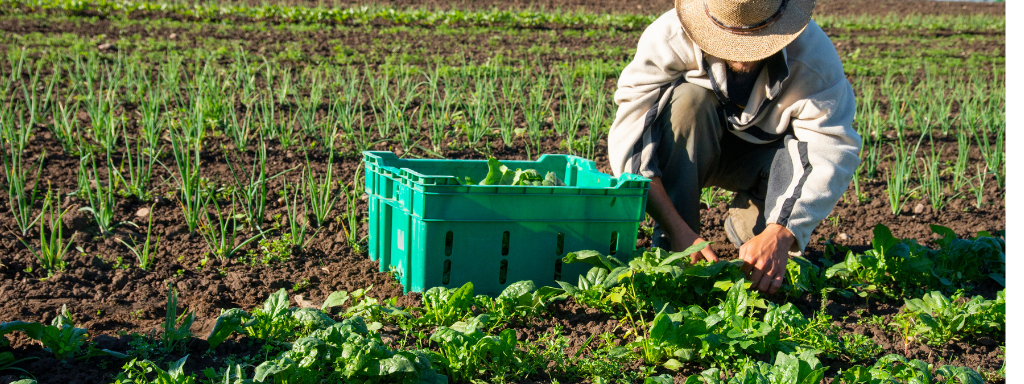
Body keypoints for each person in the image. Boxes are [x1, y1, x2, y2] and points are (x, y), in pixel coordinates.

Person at [607, 0, 861, 294]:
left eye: (756, 40)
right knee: (688, 102)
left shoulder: (813, 58)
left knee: (772, 258)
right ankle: (675, 249)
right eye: (731, 41)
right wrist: (678, 230)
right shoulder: (670, 37)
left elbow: (831, 149)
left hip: (765, 160)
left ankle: (753, 225)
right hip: (694, 147)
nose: (742, 53)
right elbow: (632, 142)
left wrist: (781, 233)